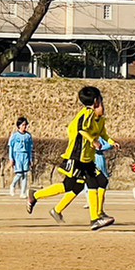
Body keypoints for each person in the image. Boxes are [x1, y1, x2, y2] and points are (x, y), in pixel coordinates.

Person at [28, 85, 116, 230]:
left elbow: (102, 134)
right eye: (101, 101)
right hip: (76, 158)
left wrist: (112, 142)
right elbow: (81, 129)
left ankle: (95, 214)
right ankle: (95, 218)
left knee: (90, 183)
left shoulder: (98, 119)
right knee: (85, 183)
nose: (103, 105)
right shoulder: (86, 114)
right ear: (95, 102)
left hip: (87, 159)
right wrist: (93, 141)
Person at [8, 117, 34, 199]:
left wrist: (30, 159)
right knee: (19, 173)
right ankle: (13, 185)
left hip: (25, 156)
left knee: (25, 174)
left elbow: (30, 148)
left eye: (26, 125)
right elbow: (11, 148)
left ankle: (23, 192)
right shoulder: (14, 136)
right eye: (23, 125)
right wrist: (11, 158)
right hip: (17, 155)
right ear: (19, 126)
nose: (25, 127)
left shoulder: (28, 136)